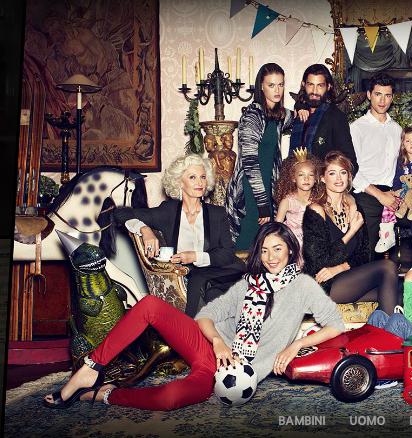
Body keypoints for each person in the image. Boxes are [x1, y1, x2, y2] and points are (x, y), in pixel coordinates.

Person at [42, 222, 344, 410]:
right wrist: (217, 342)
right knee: (149, 305)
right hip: (207, 348)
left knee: (169, 399)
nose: (271, 257)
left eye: (278, 249)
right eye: (264, 250)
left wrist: (295, 345)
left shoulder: (303, 286)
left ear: (291, 250)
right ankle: (92, 367)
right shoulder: (249, 283)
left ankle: (106, 394)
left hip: (232, 373)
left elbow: (335, 325)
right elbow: (206, 316)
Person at [114, 154, 246, 317]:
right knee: (208, 291)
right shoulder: (168, 211)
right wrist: (144, 229)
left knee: (202, 281)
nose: (200, 183)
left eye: (203, 177)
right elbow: (121, 214)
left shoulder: (217, 214)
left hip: (222, 273)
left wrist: (195, 256)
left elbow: (227, 254)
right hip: (195, 279)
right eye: (192, 177)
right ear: (179, 182)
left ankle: (193, 327)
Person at [302, 151, 400, 313]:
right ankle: (391, 329)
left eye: (343, 172)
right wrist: (351, 232)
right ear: (323, 178)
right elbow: (320, 262)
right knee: (387, 266)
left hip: (348, 277)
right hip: (323, 285)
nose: (338, 178)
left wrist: (341, 268)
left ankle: (384, 328)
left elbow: (365, 255)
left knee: (398, 292)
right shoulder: (315, 211)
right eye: (332, 173)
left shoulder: (355, 207)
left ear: (349, 177)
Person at [226, 63, 296, 250]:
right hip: (250, 191)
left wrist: (302, 107)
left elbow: (295, 117)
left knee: (266, 246)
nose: (277, 90)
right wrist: (262, 203)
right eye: (271, 85)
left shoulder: (278, 115)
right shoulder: (252, 115)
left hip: (269, 188)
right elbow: (249, 163)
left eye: (280, 85)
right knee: (247, 245)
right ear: (261, 87)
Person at [350, 73, 403, 255]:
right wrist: (380, 195)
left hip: (393, 195)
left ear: (392, 98)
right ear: (369, 95)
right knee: (368, 254)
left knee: (393, 252)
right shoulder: (357, 128)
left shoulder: (397, 129)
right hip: (367, 195)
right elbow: (352, 170)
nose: (382, 100)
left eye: (387, 95)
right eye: (378, 94)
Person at [375, 126, 412, 253]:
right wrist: (401, 195)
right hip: (405, 195)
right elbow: (397, 180)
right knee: (389, 203)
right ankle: (387, 234)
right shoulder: (401, 160)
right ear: (403, 144)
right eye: (408, 141)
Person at [289, 64, 358, 174]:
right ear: (303, 85)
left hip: (323, 182)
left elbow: (350, 161)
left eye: (320, 86)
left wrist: (329, 179)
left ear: (328, 87)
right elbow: (291, 158)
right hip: (296, 181)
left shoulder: (336, 117)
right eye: (310, 85)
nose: (314, 91)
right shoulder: (299, 116)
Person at [274, 150, 323, 266]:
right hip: (293, 243)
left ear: (316, 178)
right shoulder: (287, 201)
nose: (306, 179)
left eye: (310, 175)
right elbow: (276, 227)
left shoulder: (319, 199)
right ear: (293, 178)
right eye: (301, 175)